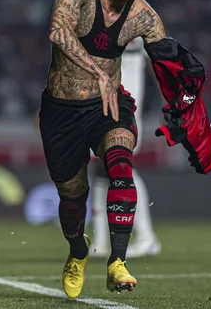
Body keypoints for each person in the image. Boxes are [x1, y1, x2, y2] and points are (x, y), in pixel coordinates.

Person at [39, 0, 211, 298]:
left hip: (109, 106)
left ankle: (117, 263)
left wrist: (186, 102)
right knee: (72, 197)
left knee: (120, 163)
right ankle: (77, 251)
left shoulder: (144, 17)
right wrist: (98, 71)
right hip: (62, 110)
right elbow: (58, 31)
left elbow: (168, 65)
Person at [90, 37, 161, 258]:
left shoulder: (141, 21)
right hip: (101, 101)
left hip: (124, 105)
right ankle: (101, 241)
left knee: (122, 168)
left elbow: (159, 61)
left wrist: (169, 101)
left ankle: (147, 238)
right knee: (101, 172)